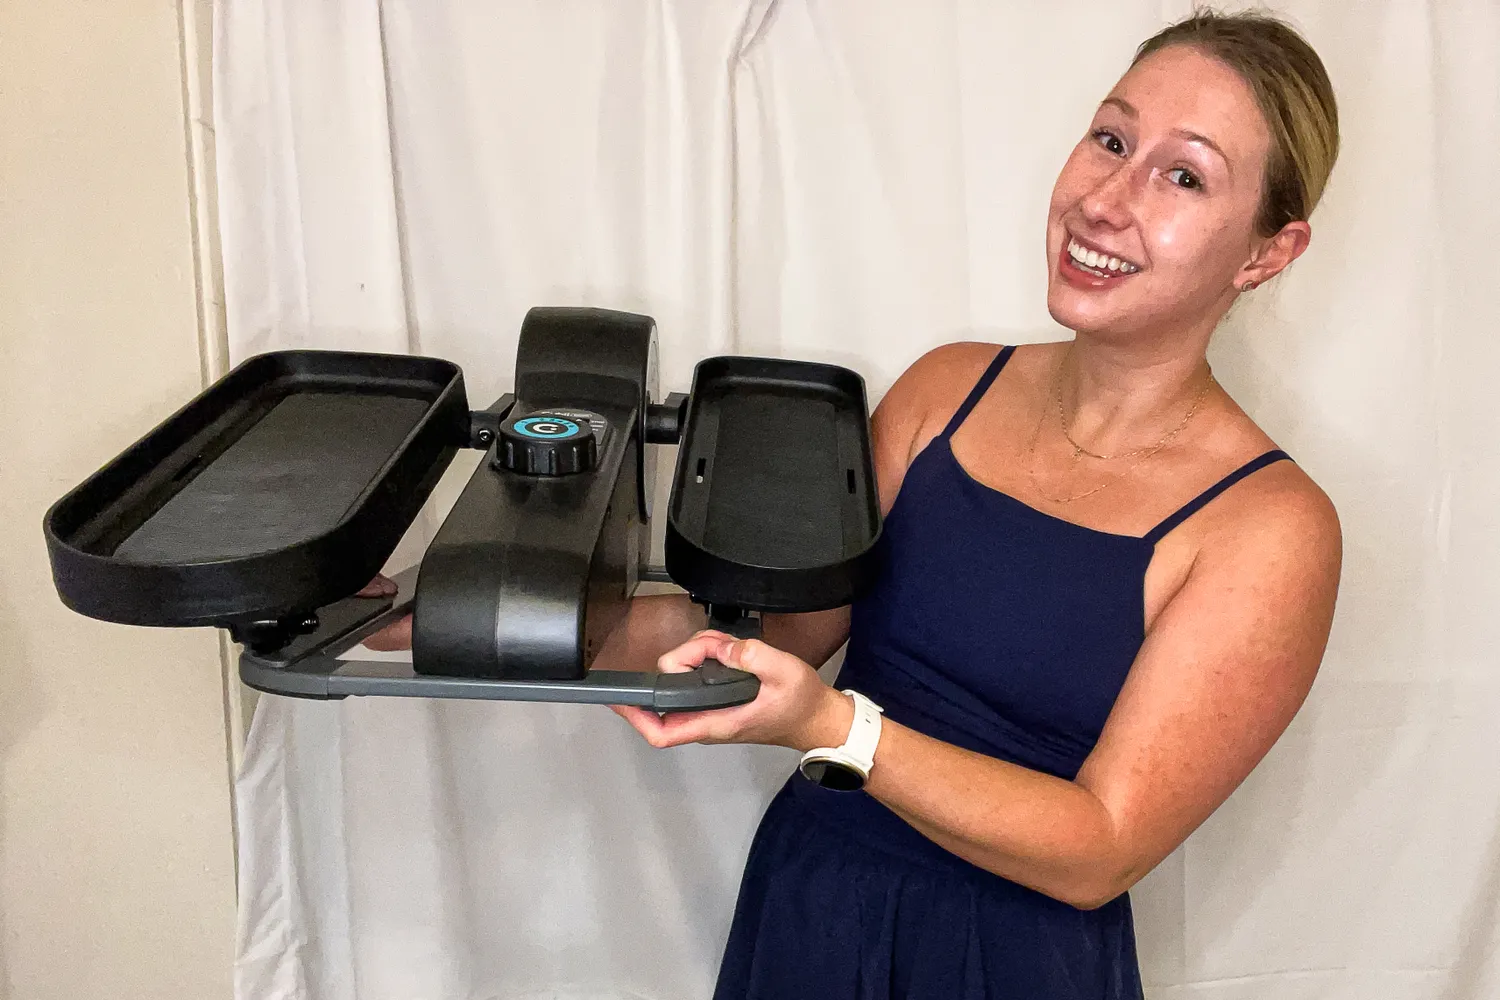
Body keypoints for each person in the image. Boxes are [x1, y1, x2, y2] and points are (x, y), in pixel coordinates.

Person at [366, 10, 1343, 998]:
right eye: (1112, 139)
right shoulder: (943, 392)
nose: (1106, 200)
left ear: (1269, 251)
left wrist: (839, 729)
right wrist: (427, 611)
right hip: (814, 903)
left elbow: (1101, 847)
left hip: (1009, 960)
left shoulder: (1269, 529)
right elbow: (765, 640)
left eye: (1185, 177)